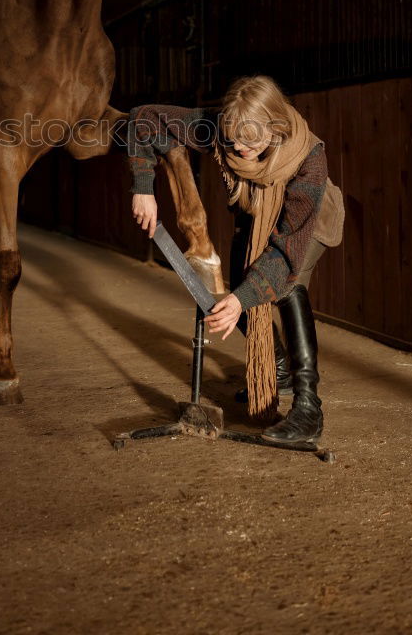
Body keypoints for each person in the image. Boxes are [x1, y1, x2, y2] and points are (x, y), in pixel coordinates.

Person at [127, 75, 344, 445]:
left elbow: (285, 253)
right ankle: (277, 368)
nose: (239, 148)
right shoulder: (224, 129)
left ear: (274, 129)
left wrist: (245, 296)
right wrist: (144, 186)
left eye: (250, 141)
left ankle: (309, 408)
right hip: (253, 211)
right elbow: (142, 119)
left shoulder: (310, 162)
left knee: (286, 287)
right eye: (231, 140)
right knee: (231, 290)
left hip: (308, 223)